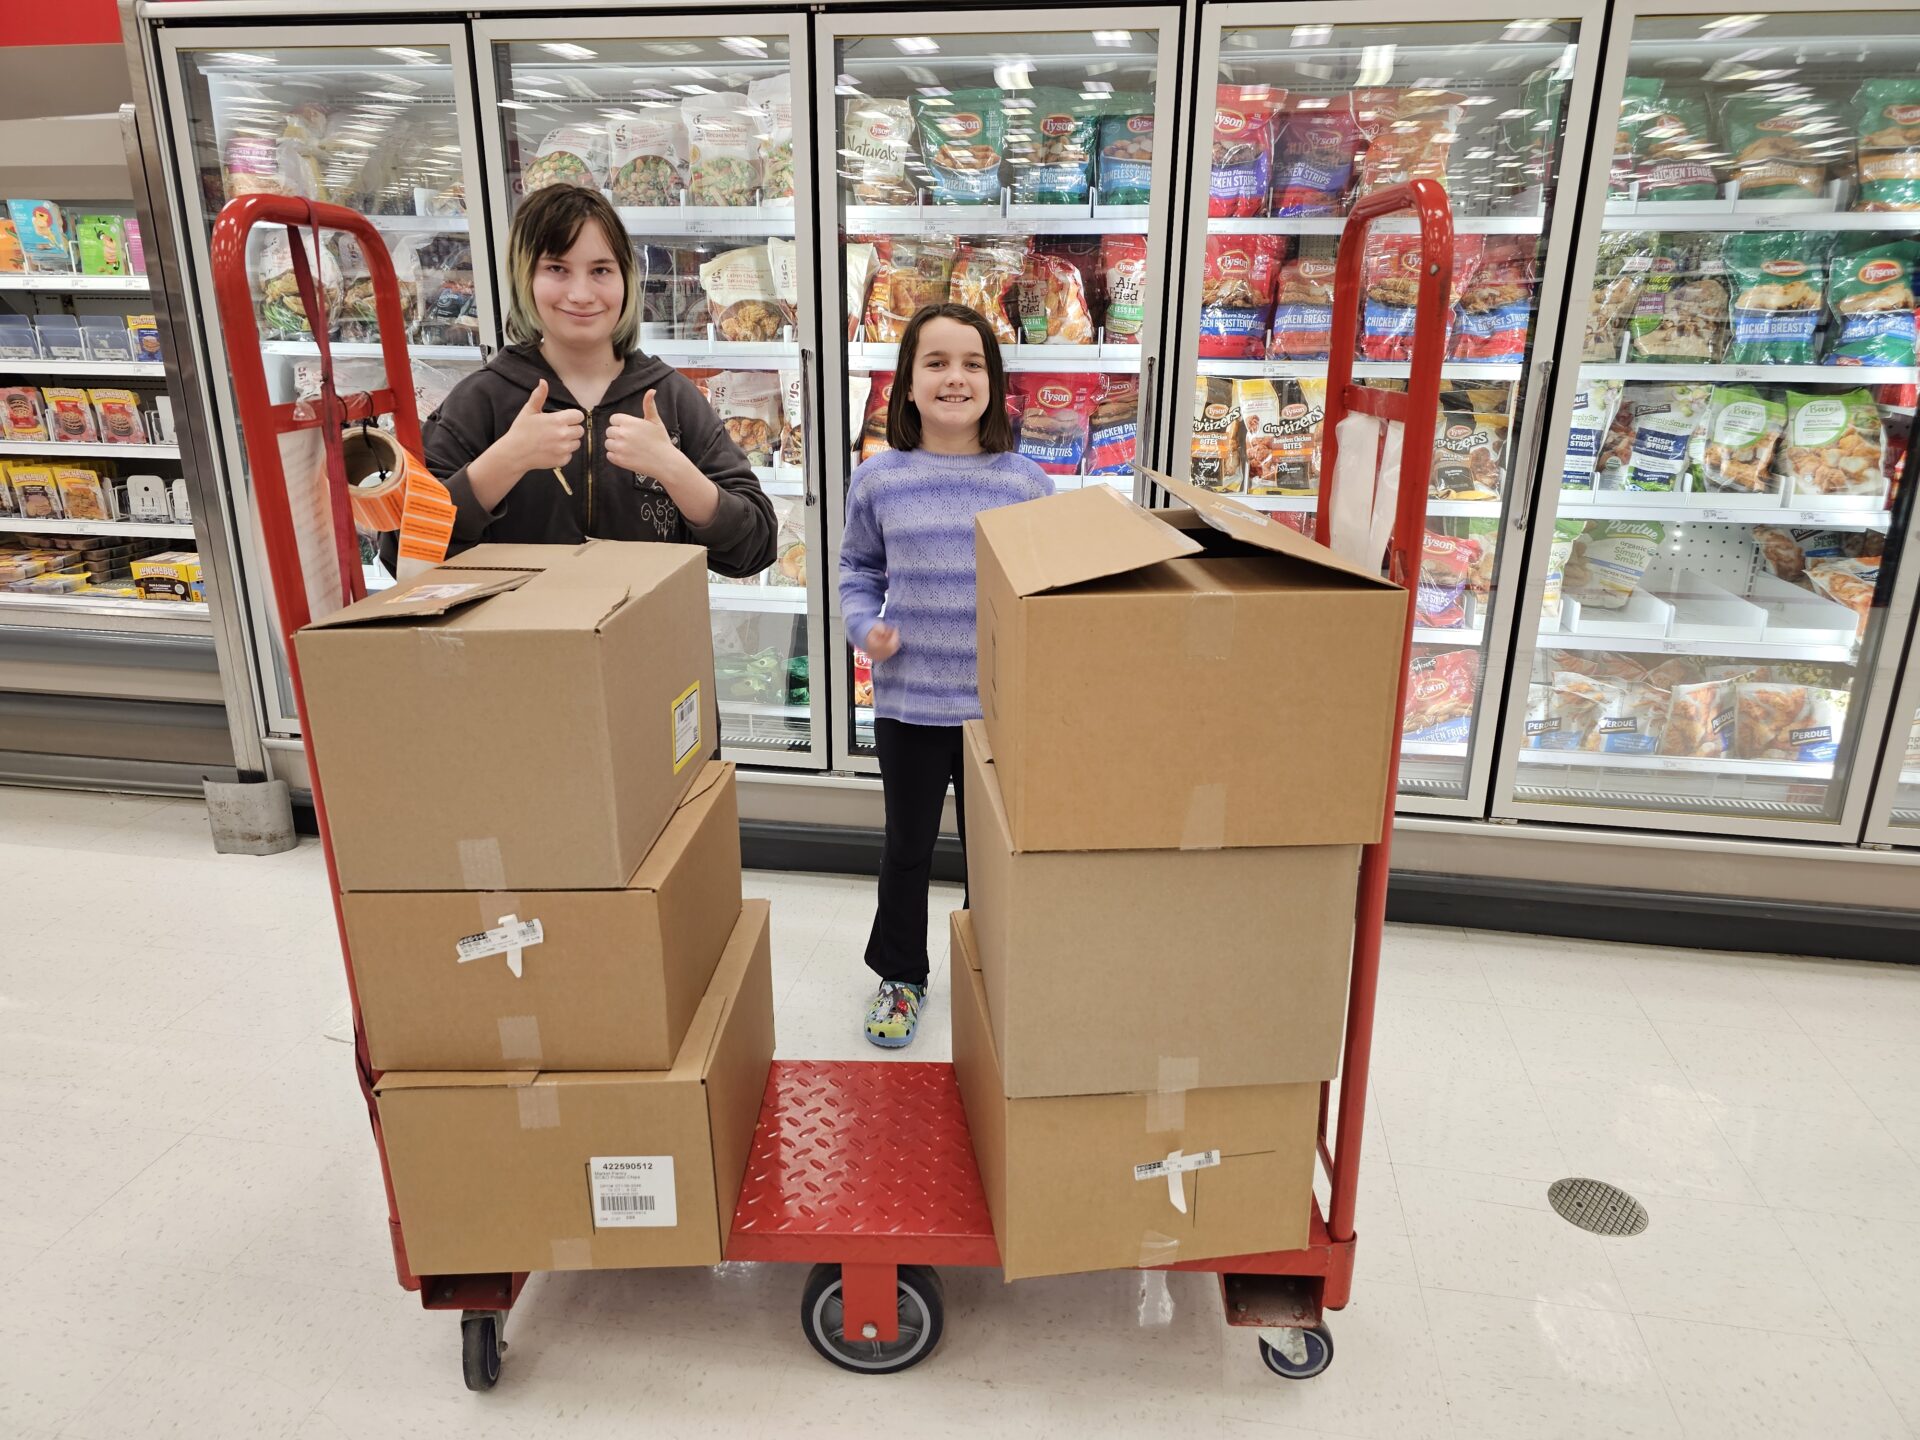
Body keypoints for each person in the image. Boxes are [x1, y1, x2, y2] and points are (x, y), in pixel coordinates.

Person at [838, 303, 1054, 1048]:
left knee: (995, 855)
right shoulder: (879, 480)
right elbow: (856, 571)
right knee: (908, 847)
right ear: (906, 384)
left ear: (994, 384)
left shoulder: (1024, 483)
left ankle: (994, 965)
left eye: (972, 364)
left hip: (998, 714)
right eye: (935, 363)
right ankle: (901, 975)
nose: (954, 378)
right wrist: (867, 630)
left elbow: (1043, 589)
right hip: (908, 706)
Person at [420, 183, 775, 572]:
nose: (581, 293)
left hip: (643, 630)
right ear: (525, 279)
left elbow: (754, 546)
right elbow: (405, 549)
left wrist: (673, 469)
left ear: (625, 278)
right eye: (556, 268)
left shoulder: (670, 398)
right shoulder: (482, 399)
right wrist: (505, 460)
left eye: (601, 270)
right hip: (516, 633)